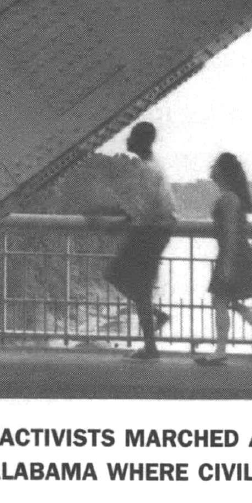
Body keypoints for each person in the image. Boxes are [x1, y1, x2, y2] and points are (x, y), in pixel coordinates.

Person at [102, 121, 177, 360]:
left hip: (149, 231)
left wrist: (121, 215)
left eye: (131, 136)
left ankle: (151, 345)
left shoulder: (146, 170)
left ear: (139, 141)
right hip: (157, 230)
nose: (127, 140)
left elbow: (143, 209)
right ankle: (154, 326)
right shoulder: (154, 166)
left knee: (120, 277)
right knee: (133, 283)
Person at [200, 153, 252, 364]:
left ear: (222, 172)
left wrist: (227, 264)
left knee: (220, 300)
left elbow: (230, 232)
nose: (211, 169)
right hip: (239, 253)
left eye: (215, 166)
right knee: (231, 301)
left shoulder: (228, 198)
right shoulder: (232, 196)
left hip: (232, 254)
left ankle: (221, 350)